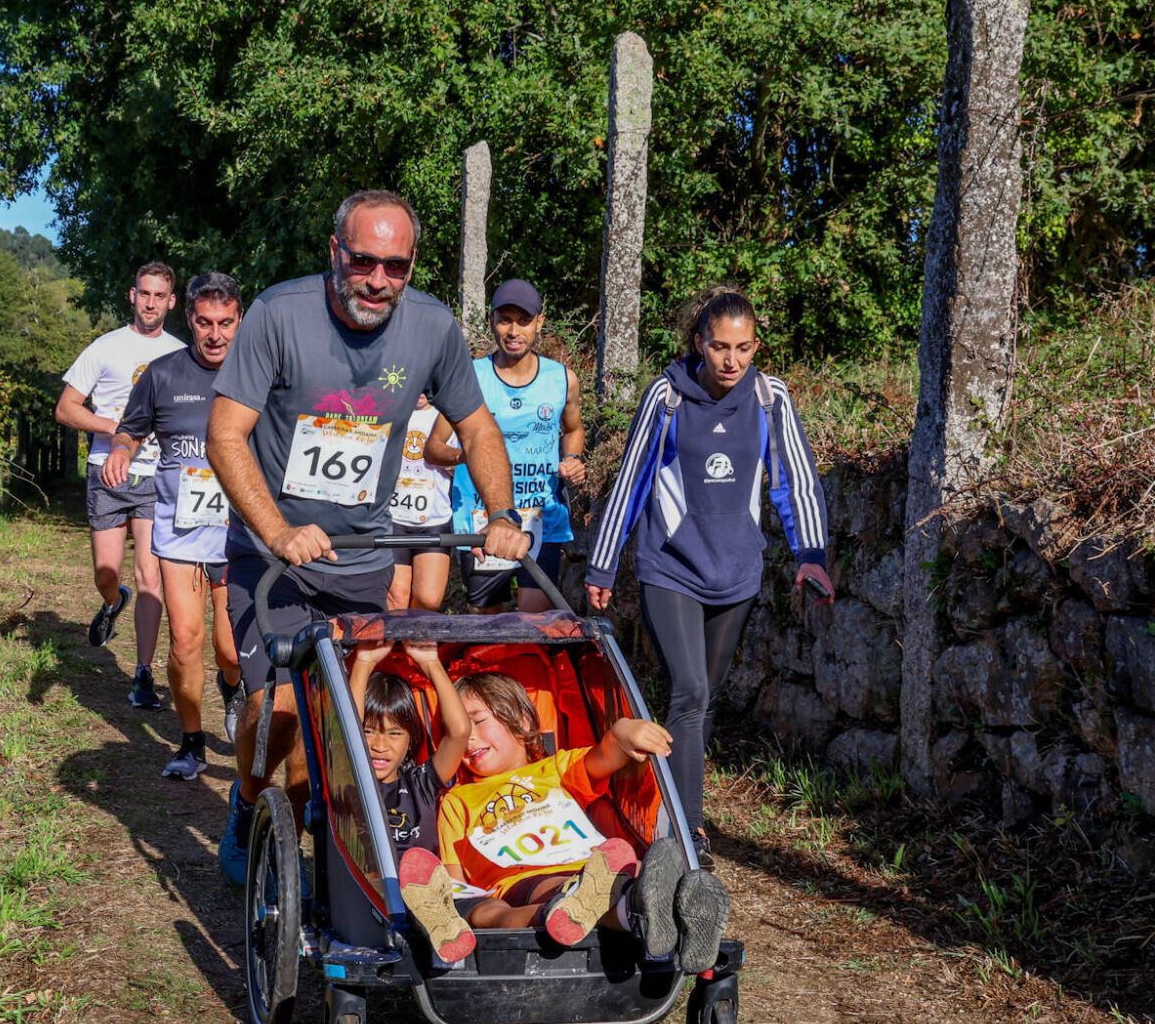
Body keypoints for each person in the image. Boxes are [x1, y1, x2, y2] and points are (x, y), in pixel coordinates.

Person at [207, 188, 532, 885]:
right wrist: (278, 528)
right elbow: (224, 431)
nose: (378, 281)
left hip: (360, 560)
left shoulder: (432, 327)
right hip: (274, 562)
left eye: (397, 266)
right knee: (281, 716)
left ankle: (329, 865)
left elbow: (476, 428)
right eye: (363, 262)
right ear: (335, 252)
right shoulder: (277, 314)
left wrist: (503, 515)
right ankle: (246, 799)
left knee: (345, 732)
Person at [583, 286, 834, 868]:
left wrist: (810, 554)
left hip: (737, 571)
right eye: (720, 346)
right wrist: (604, 560)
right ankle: (686, 829)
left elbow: (795, 479)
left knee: (704, 696)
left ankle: (663, 800)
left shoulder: (771, 398)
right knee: (690, 692)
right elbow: (633, 480)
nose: (731, 361)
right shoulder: (667, 396)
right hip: (670, 566)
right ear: (698, 342)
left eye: (743, 348)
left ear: (755, 346)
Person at [397, 673, 729, 971]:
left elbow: (606, 754)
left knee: (635, 871)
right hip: (525, 879)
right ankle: (648, 911)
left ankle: (668, 907)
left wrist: (623, 731)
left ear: (524, 722)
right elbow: (457, 882)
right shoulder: (458, 800)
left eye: (478, 721)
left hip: (595, 865)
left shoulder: (556, 769)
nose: (468, 738)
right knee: (570, 889)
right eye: (457, 730)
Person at [105, 271, 247, 779]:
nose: (215, 335)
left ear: (240, 320)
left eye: (225, 323)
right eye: (205, 323)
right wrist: (122, 451)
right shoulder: (163, 373)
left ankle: (233, 687)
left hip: (239, 536)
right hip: (181, 532)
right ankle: (191, 743)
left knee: (229, 649)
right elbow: (130, 428)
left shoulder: (259, 375)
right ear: (188, 319)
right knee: (185, 640)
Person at [57, 262, 185, 710]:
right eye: (144, 294)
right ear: (132, 296)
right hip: (106, 471)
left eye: (160, 296)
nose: (151, 303)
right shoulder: (105, 347)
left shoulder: (180, 353)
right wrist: (116, 429)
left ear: (171, 301)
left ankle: (143, 672)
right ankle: (113, 603)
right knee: (106, 574)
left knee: (150, 575)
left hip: (158, 475)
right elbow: (66, 408)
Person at [426, 279, 586, 613]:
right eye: (505, 319)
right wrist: (469, 455)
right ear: (492, 321)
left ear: (539, 322)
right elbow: (434, 448)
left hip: (540, 516)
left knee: (534, 622)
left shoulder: (562, 379)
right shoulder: (469, 376)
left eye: (523, 321)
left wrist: (572, 458)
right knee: (486, 624)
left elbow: (573, 429)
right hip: (481, 518)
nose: (513, 331)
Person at [346, 641, 469, 855]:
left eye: (394, 734)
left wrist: (431, 664)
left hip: (423, 882)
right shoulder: (346, 783)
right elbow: (345, 731)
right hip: (369, 883)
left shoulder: (421, 784)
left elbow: (459, 732)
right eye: (367, 731)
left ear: (411, 740)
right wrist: (363, 663)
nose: (380, 746)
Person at [386, 395, 454, 611]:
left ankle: (414, 638)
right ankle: (396, 641)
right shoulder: (391, 411)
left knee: (428, 600)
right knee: (397, 596)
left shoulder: (448, 417)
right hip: (394, 517)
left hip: (434, 517)